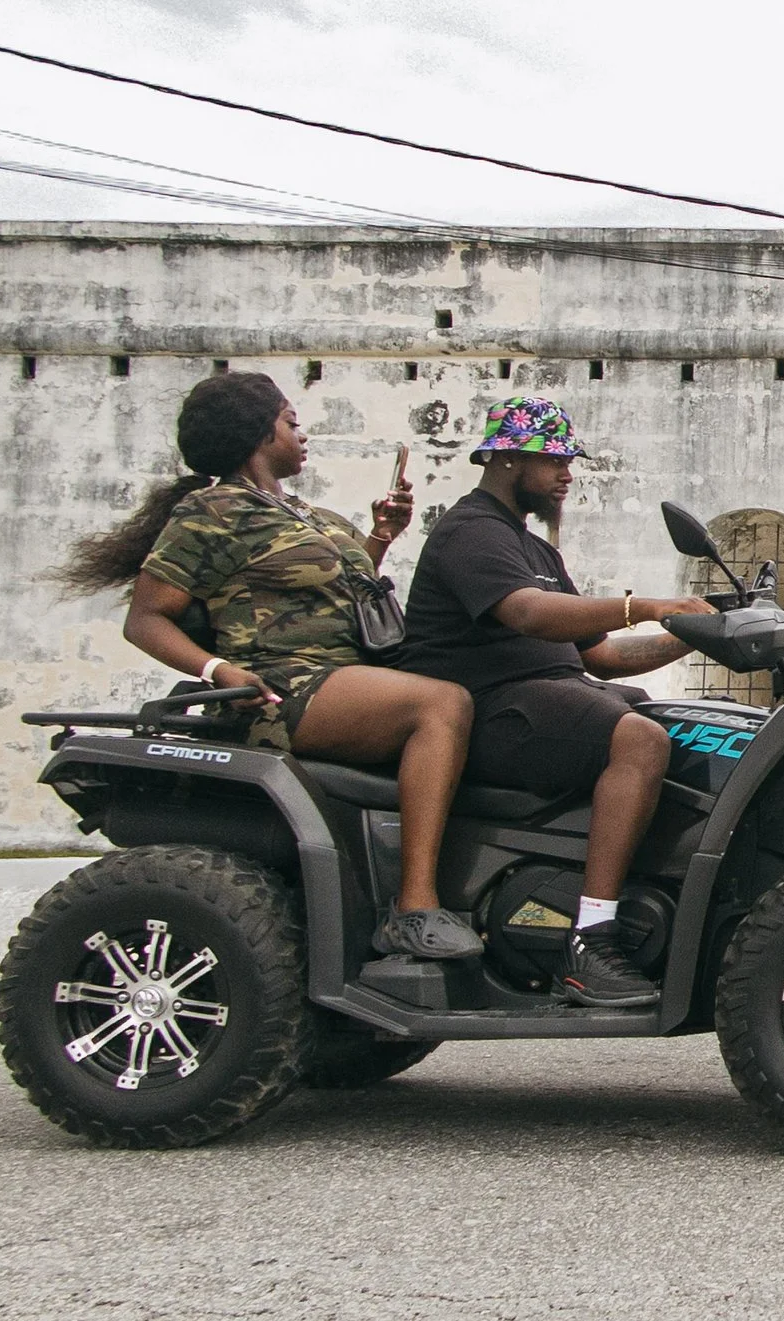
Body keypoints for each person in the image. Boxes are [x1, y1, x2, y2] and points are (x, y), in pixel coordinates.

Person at [54, 371, 483, 959]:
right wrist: (216, 671)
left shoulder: (302, 510)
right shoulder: (213, 510)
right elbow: (146, 618)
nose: (301, 435)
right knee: (441, 703)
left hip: (346, 675)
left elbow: (337, 594)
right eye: (291, 422)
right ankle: (413, 908)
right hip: (282, 685)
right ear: (258, 434)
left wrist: (379, 538)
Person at [396, 397, 712, 1008]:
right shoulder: (470, 532)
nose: (569, 472)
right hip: (492, 711)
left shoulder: (534, 550)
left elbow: (600, 656)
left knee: (670, 720)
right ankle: (590, 944)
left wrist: (692, 634)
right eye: (556, 459)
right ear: (511, 457)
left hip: (552, 698)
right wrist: (645, 605)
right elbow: (528, 613)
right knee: (638, 738)